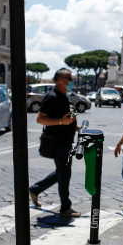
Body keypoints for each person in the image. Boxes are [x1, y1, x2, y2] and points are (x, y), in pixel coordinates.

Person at [28, 68, 80, 218]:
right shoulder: (52, 97)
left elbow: (68, 120)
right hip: (58, 141)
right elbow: (40, 118)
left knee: (61, 172)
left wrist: (77, 129)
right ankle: (65, 207)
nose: (71, 82)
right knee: (64, 173)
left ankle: (35, 189)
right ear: (60, 80)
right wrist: (61, 122)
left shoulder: (65, 97)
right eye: (69, 79)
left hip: (66, 141)